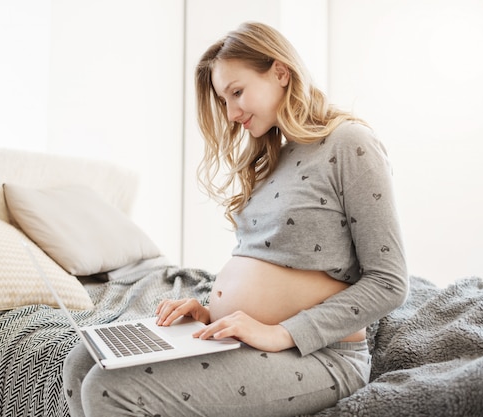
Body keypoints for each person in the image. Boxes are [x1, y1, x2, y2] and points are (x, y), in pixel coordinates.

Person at [63, 21, 408, 417]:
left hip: (321, 355)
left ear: (280, 72)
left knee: (111, 389)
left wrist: (280, 333)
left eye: (237, 92)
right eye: (224, 100)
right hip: (244, 340)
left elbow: (390, 282)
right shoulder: (274, 156)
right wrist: (211, 311)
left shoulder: (350, 143)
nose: (230, 113)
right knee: (81, 362)